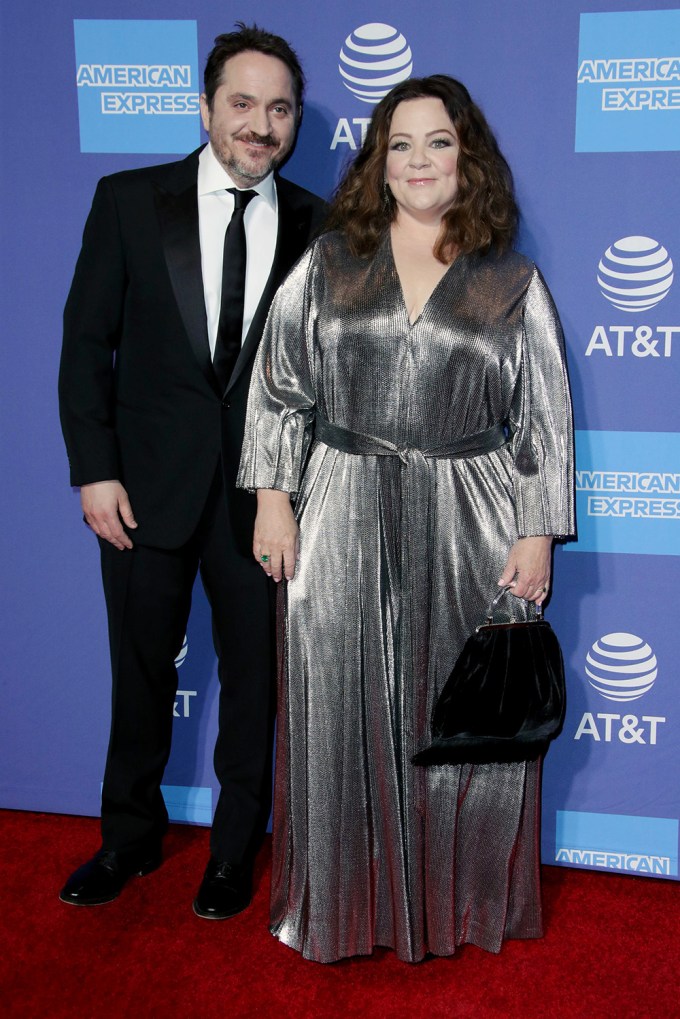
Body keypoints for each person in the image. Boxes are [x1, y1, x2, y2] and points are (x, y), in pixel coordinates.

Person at [238, 75, 574, 962]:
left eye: (438, 142)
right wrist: (274, 497)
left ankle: (456, 905)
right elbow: (278, 385)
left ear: (469, 160)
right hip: (340, 503)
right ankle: (348, 906)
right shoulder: (331, 261)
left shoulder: (511, 279)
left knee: (453, 709)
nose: (419, 160)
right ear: (378, 163)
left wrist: (536, 529)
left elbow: (542, 416)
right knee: (334, 701)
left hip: (471, 509)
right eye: (401, 144)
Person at [58, 24, 326, 918]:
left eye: (279, 108)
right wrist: (94, 471)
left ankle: (233, 854)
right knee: (137, 674)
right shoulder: (131, 200)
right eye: (243, 103)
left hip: (264, 503)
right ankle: (126, 840)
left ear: (293, 122)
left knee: (255, 685)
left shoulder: (318, 225)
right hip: (142, 491)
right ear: (206, 107)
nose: (261, 124)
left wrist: (290, 492)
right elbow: (85, 343)